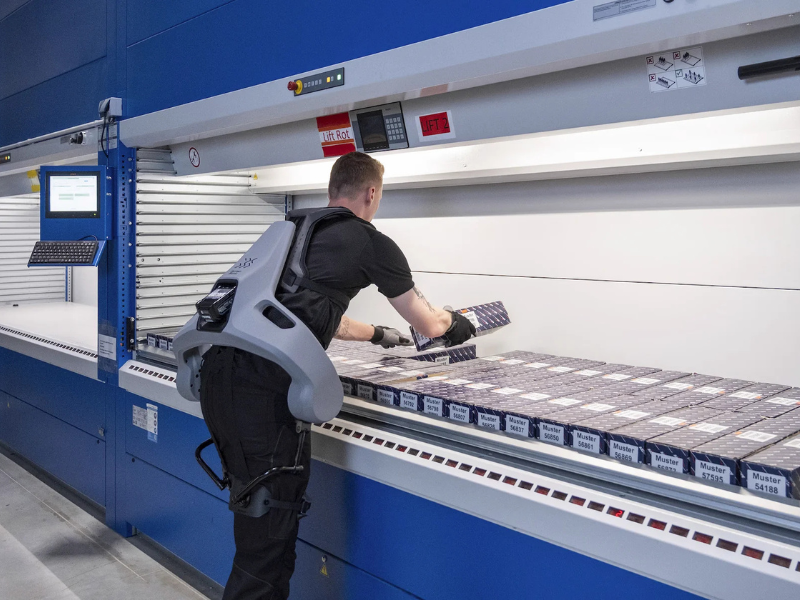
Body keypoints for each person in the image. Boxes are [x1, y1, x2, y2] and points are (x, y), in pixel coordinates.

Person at [199, 151, 476, 600]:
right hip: (262, 390)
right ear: (372, 192)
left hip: (219, 375)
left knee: (258, 526)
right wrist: (456, 322)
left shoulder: (294, 230)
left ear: (332, 190)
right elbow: (428, 324)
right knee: (268, 542)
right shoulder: (370, 241)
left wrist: (378, 335)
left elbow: (301, 312)